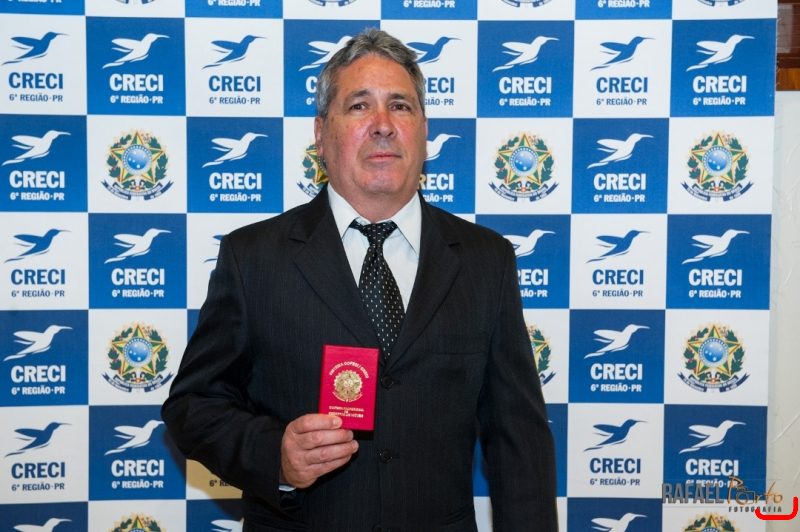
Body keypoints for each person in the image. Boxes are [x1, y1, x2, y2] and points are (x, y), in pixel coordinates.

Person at [162, 28, 557, 532]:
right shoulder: (253, 257)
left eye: (400, 106)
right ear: (320, 133)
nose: (383, 125)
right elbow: (193, 406)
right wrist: (275, 455)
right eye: (359, 106)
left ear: (423, 131)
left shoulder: (486, 260)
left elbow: (519, 443)